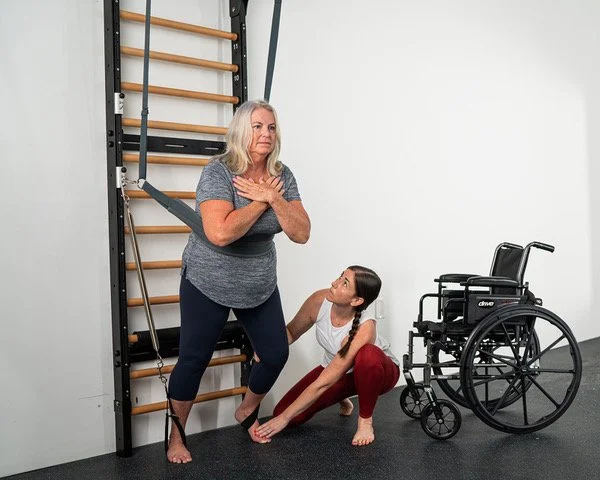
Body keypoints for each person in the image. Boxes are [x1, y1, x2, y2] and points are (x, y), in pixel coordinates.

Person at [166, 100, 311, 463]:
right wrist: (262, 202)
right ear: (241, 131)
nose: (266, 134)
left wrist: (273, 195)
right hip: (208, 278)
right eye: (257, 126)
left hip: (258, 280)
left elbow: (302, 232)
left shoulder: (282, 176)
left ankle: (246, 409)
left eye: (271, 127)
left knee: (275, 353)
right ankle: (176, 437)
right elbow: (219, 233)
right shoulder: (218, 172)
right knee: (193, 359)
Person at [254, 266, 400, 446]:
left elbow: (324, 382)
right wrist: (267, 347)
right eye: (340, 277)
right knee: (284, 413)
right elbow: (290, 332)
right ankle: (341, 396)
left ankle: (365, 421)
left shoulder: (365, 328)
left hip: (379, 374)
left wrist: (283, 419)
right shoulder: (319, 301)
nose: (334, 283)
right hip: (340, 374)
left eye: (344, 283)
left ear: (356, 300)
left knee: (367, 355)